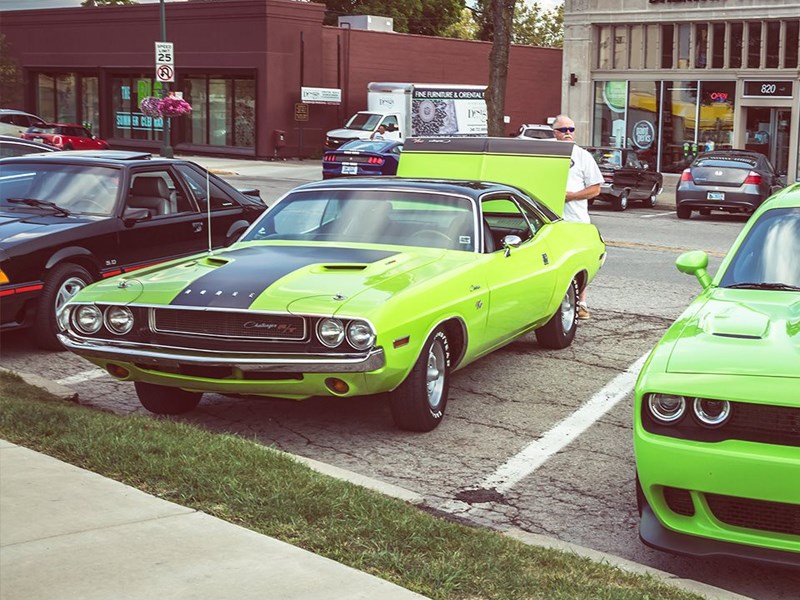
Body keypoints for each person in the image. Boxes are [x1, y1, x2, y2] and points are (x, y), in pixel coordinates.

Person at [552, 114, 604, 320]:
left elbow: (595, 189)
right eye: (563, 130)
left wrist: (572, 197)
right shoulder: (545, 153)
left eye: (571, 130)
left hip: (577, 221)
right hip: (551, 221)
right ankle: (555, 303)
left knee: (579, 263)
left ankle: (581, 304)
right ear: (554, 132)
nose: (568, 134)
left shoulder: (582, 156)